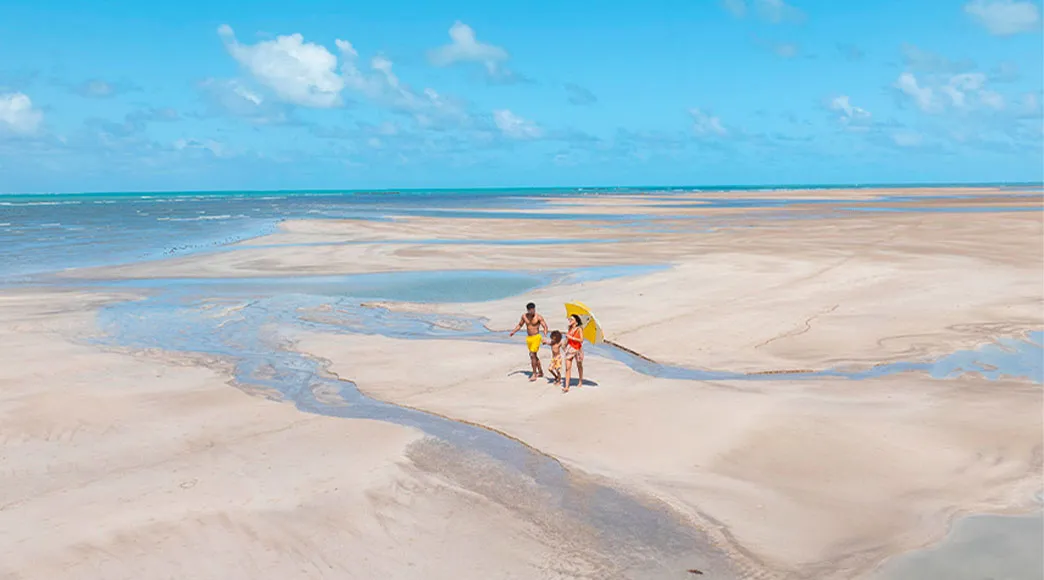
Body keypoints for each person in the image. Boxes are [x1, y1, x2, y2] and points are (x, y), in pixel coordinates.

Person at [509, 302, 548, 381]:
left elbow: (545, 326)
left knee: (532, 355)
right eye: (531, 310)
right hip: (529, 338)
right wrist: (513, 331)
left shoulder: (538, 317)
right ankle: (540, 371)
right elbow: (520, 325)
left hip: (536, 337)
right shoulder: (524, 316)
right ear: (528, 310)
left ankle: (534, 374)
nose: (533, 311)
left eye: (534, 309)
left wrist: (544, 336)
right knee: (534, 356)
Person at [562, 314, 584, 393]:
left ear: (576, 322)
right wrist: (564, 344)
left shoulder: (579, 329)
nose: (569, 320)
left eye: (571, 319)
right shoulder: (570, 328)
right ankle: (566, 386)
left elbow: (581, 340)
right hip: (570, 348)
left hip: (577, 349)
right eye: (569, 319)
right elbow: (568, 339)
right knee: (567, 367)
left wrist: (572, 338)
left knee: (579, 365)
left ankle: (580, 380)